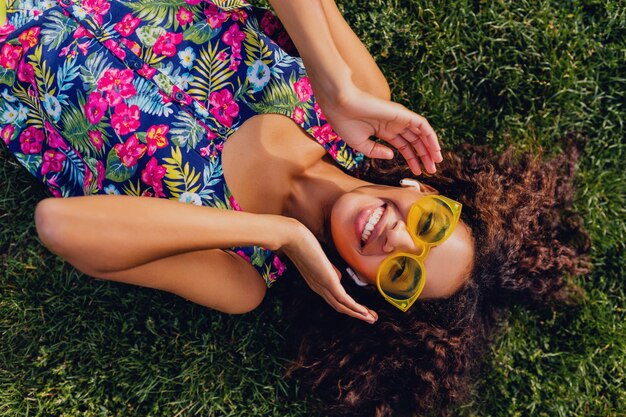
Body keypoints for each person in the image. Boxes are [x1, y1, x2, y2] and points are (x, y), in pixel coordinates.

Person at [0, 0, 590, 416]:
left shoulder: (242, 274)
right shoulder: (361, 101)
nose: (399, 241)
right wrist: (333, 82)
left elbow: (60, 225)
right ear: (423, 192)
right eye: (430, 226)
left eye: (402, 273)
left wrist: (279, 233)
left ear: (363, 288)